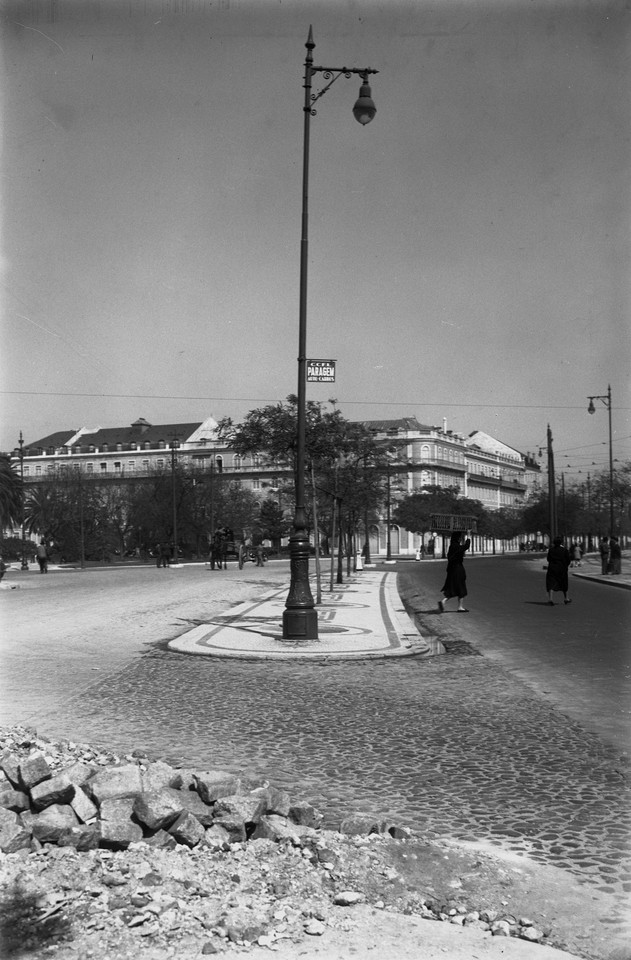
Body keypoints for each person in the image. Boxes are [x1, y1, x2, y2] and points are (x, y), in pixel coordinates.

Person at [438, 531, 471, 613]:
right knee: (461, 587)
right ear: (457, 538)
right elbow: (466, 546)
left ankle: (444, 601)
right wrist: (469, 536)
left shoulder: (451, 547)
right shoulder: (456, 546)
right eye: (459, 537)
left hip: (452, 569)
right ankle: (460, 607)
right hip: (458, 568)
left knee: (452, 587)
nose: (460, 539)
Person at [545, 536, 571, 605]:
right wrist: (565, 565)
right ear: (561, 542)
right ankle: (566, 598)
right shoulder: (565, 550)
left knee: (551, 583)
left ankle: (550, 599)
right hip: (562, 569)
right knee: (564, 583)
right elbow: (568, 560)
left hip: (552, 568)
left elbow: (548, 559)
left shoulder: (551, 550)